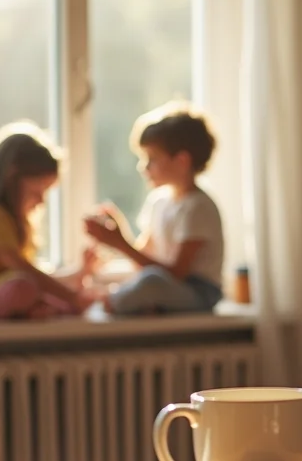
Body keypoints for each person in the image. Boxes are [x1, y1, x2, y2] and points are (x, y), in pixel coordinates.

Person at [0, 122, 93, 322]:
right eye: (36, 192)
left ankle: (40, 306)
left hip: (13, 286)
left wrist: (78, 274)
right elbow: (22, 270)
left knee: (48, 293)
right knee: (23, 287)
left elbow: (34, 273)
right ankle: (40, 304)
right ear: (12, 176)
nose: (41, 201)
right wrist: (71, 296)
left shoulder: (16, 222)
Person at [84, 102, 224, 315]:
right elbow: (144, 260)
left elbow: (177, 273)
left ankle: (109, 302)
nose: (144, 167)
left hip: (199, 292)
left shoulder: (198, 207)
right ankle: (123, 301)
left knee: (151, 282)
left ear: (182, 161)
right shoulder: (158, 201)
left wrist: (121, 244)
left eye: (152, 159)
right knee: (148, 280)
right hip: (169, 285)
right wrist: (119, 236)